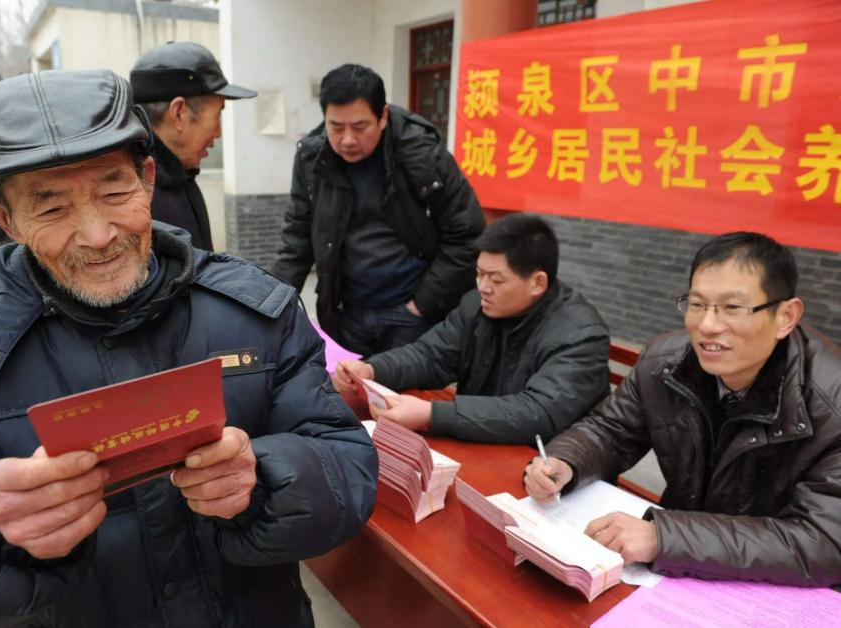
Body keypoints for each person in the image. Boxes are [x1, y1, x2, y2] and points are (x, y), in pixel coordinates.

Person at [0, 69, 377, 627]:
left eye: (113, 191)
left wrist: (265, 477)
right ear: (4, 219)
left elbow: (347, 463)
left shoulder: (257, 313)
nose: (98, 235)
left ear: (147, 180)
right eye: (51, 209)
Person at [524, 232, 841, 587]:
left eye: (732, 308)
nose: (707, 325)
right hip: (673, 571)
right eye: (697, 304)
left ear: (785, 316)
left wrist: (666, 538)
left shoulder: (832, 404)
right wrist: (565, 462)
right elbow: (610, 429)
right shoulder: (665, 363)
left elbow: (822, 541)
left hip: (776, 591)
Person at [334, 214, 611, 444]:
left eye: (496, 280)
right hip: (482, 441)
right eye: (479, 274)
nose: (483, 288)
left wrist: (433, 414)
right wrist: (372, 370)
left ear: (537, 283)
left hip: (549, 470)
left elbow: (537, 412)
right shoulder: (477, 305)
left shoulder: (581, 335)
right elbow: (431, 355)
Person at [272, 63, 485, 357]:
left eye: (360, 127)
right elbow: (297, 236)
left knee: (405, 399)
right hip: (345, 313)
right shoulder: (313, 158)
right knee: (347, 398)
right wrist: (272, 307)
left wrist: (424, 304)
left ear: (383, 116)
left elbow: (466, 234)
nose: (347, 139)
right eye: (336, 126)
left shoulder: (422, 154)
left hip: (412, 315)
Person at [130, 41, 256, 251]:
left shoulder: (179, 174)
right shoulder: (134, 199)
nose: (218, 133)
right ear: (179, 113)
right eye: (217, 115)